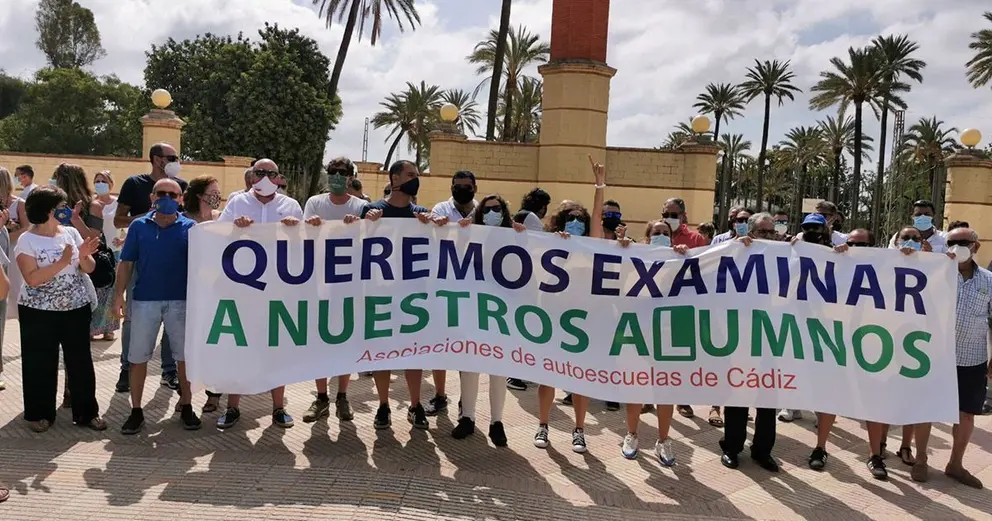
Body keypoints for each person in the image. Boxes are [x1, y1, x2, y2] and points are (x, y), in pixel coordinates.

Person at [214, 159, 302, 430]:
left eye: (271, 173)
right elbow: (216, 238)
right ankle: (233, 407)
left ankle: (278, 408)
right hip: (242, 289)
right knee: (240, 347)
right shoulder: (237, 203)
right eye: (260, 172)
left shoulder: (291, 206)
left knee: (276, 348)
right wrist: (234, 228)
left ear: (278, 177)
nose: (265, 177)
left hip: (278, 289)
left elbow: (306, 247)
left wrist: (294, 231)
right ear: (251, 176)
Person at [114, 178, 201, 434]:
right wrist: (118, 295)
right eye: (161, 193)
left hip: (181, 302)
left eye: (172, 195)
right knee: (138, 357)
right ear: (152, 196)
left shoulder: (191, 227)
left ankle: (186, 405)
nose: (167, 198)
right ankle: (136, 410)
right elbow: (127, 262)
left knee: (184, 358)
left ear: (181, 199)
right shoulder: (138, 226)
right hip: (144, 301)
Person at [16, 185, 105, 433]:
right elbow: (32, 278)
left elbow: (88, 268)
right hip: (37, 310)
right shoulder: (27, 239)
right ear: (47, 210)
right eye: (61, 207)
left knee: (81, 362)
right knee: (40, 362)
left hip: (75, 308)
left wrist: (85, 255)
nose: (66, 210)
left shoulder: (70, 234)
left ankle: (87, 413)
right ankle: (40, 414)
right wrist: (63, 261)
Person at [804, 228, 890, 479]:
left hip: (872, 347)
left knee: (873, 404)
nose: (855, 248)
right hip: (838, 345)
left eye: (861, 245)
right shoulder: (837, 268)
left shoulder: (885, 270)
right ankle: (820, 448)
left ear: (874, 247)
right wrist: (836, 256)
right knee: (830, 400)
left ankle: (875, 455)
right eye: (851, 243)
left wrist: (909, 256)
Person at [905, 227, 988, 488]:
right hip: (932, 356)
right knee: (926, 409)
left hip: (972, 358)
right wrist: (906, 258)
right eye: (951, 242)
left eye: (963, 242)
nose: (957, 246)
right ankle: (920, 460)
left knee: (966, 414)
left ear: (976, 246)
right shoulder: (933, 273)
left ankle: (955, 464)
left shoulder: (989, 281)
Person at [533, 155, 605, 454]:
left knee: (580, 380)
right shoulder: (549, 243)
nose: (575, 224)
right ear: (560, 223)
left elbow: (599, 221)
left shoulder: (591, 245)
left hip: (582, 321)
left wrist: (599, 184)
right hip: (552, 317)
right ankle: (543, 424)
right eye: (569, 220)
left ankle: (579, 429)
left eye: (580, 221)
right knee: (547, 376)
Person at [359, 160, 435, 430]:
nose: (416, 179)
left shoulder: (422, 214)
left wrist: (433, 227)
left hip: (413, 298)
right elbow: (356, 247)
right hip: (381, 295)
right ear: (394, 178)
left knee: (414, 354)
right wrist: (366, 226)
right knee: (383, 354)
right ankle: (383, 405)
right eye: (411, 175)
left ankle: (415, 406)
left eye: (417, 175)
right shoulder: (372, 210)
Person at [450, 194, 527, 445]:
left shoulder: (515, 234)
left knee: (498, 370)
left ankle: (497, 422)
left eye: (497, 209)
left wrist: (523, 235)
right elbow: (454, 258)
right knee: (470, 367)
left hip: (504, 312)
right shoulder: (472, 232)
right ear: (480, 213)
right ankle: (468, 418)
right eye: (487, 209)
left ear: (505, 211)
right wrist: (460, 233)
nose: (492, 213)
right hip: (475, 307)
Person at [112, 143, 186, 394]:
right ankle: (126, 367)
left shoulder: (180, 184)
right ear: (156, 159)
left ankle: (169, 370)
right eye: (171, 157)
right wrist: (148, 217)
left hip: (174, 280)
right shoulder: (135, 183)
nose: (176, 161)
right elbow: (118, 219)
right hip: (141, 267)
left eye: (172, 197)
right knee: (133, 322)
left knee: (173, 327)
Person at [299, 157, 366, 423]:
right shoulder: (315, 203)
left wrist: (361, 225)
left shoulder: (361, 206)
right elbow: (301, 237)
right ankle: (321, 397)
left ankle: (342, 396)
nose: (337, 176)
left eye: (343, 173)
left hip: (350, 285)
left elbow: (374, 240)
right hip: (319, 283)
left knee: (346, 342)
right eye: (333, 172)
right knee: (320, 342)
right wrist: (310, 227)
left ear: (351, 177)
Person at [621, 219, 689, 465]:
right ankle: (632, 434)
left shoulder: (680, 260)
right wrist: (624, 249)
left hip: (668, 334)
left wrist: (683, 258)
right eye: (656, 232)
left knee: (665, 390)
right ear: (648, 238)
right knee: (635, 388)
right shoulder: (635, 259)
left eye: (665, 233)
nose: (661, 235)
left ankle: (663, 440)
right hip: (638, 331)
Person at [719, 212, 782, 473]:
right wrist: (737, 249)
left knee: (768, 395)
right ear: (751, 232)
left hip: (771, 335)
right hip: (742, 334)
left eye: (771, 232)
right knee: (738, 392)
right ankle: (732, 447)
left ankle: (762, 451)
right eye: (762, 232)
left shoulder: (785, 254)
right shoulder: (737, 252)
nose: (767, 236)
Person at [424, 170, 480, 417]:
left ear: (474, 187)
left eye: (466, 186)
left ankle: (464, 402)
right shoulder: (441, 209)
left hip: (474, 290)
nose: (462, 189)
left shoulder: (483, 212)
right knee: (440, 346)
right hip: (443, 287)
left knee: (467, 348)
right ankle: (440, 394)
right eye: (457, 186)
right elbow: (430, 235)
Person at [662, 197, 709, 421]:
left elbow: (705, 268)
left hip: (685, 303)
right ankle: (654, 397)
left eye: (673, 215)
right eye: (666, 214)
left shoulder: (695, 238)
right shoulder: (656, 233)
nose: (669, 219)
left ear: (684, 216)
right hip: (658, 301)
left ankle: (682, 398)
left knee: (681, 353)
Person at [181, 175, 223, 413]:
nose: (217, 196)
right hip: (188, 289)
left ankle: (214, 394)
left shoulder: (222, 219)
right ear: (199, 195)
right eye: (213, 192)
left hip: (216, 290)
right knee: (187, 345)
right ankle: (184, 394)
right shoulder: (184, 221)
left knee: (214, 343)